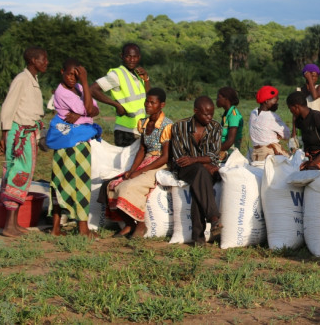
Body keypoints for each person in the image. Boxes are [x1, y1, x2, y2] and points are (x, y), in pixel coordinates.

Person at [46, 58, 103, 237]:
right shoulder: (62, 92)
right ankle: (83, 229)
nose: (73, 78)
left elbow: (95, 110)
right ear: (62, 72)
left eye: (77, 76)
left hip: (76, 141)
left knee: (64, 182)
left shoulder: (78, 89)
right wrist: (86, 82)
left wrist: (81, 111)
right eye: (70, 74)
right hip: (71, 144)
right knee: (77, 183)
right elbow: (88, 108)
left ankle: (56, 227)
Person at [107, 88, 172, 239]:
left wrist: (141, 172)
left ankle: (141, 224)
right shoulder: (144, 123)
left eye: (152, 102)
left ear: (162, 105)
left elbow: (165, 156)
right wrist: (132, 169)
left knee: (130, 186)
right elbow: (142, 150)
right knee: (112, 185)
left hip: (159, 163)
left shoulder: (166, 125)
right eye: (146, 101)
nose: (148, 105)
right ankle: (130, 223)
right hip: (146, 160)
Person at [0, 46, 48, 238]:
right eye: (43, 59)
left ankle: (14, 223)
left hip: (28, 134)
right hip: (19, 135)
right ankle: (9, 225)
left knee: (24, 175)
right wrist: (4, 135)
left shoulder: (32, 80)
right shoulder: (21, 79)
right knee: (18, 173)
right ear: (33, 61)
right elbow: (8, 106)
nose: (46, 63)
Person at [169, 96, 223, 245]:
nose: (209, 117)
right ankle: (213, 217)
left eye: (211, 113)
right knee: (200, 172)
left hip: (204, 170)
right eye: (205, 114)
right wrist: (203, 162)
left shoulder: (215, 127)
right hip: (184, 169)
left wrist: (196, 160)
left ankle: (198, 239)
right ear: (195, 111)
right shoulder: (180, 126)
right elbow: (180, 157)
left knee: (199, 186)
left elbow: (214, 154)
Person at [91, 43, 150, 147]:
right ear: (122, 56)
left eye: (135, 57)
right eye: (128, 56)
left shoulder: (138, 74)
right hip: (125, 130)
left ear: (139, 57)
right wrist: (116, 105)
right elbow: (93, 89)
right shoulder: (117, 74)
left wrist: (146, 79)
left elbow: (148, 96)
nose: (132, 60)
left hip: (139, 129)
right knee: (126, 163)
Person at [286, 91, 320, 171]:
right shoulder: (300, 120)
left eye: (290, 108)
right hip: (313, 157)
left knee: (308, 172)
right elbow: (295, 138)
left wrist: (313, 163)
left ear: (296, 107)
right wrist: (294, 121)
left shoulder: (317, 117)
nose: (290, 111)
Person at [249, 85, 291, 162]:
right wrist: (278, 134)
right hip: (269, 154)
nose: (277, 104)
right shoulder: (272, 116)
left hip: (256, 154)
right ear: (266, 101)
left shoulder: (253, 113)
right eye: (275, 101)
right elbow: (287, 134)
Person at [216, 87, 243, 156]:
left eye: (218, 98)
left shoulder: (233, 115)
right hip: (224, 149)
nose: (217, 100)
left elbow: (230, 141)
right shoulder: (226, 114)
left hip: (231, 152)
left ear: (226, 99)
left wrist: (215, 152)